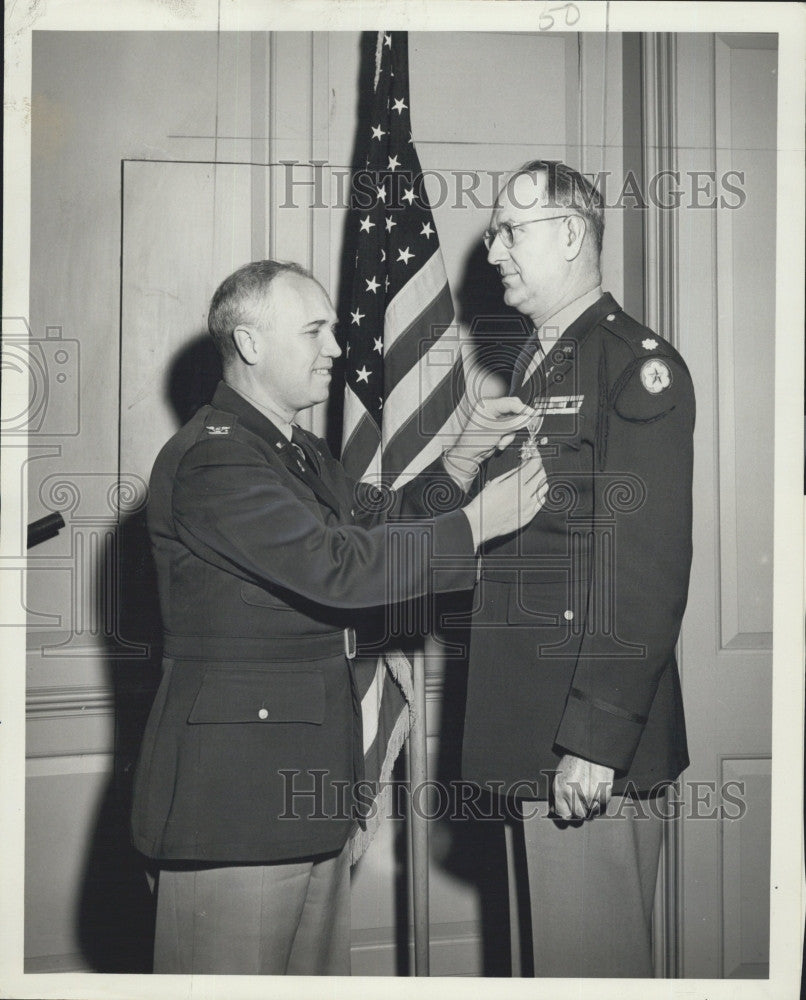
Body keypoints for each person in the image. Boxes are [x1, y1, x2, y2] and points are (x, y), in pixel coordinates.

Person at [129, 259, 547, 976]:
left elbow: (376, 526)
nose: (336, 347)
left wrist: (462, 457)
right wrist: (474, 526)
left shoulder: (291, 450)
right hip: (233, 813)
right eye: (316, 330)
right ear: (252, 345)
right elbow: (337, 568)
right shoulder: (217, 462)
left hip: (300, 799)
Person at [442, 161, 695, 977]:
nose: (493, 251)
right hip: (534, 725)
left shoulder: (634, 366)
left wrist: (594, 740)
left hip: (583, 742)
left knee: (592, 969)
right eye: (494, 232)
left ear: (572, 234)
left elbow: (646, 569)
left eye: (511, 230)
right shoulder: (538, 366)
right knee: (549, 966)